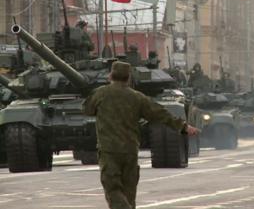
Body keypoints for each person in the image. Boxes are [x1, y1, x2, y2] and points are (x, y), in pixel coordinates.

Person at [82, 61, 197, 209]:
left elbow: (87, 110)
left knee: (113, 189)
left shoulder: (101, 93)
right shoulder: (137, 97)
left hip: (109, 150)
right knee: (129, 193)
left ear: (110, 75)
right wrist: (183, 126)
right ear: (129, 77)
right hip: (130, 150)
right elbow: (159, 113)